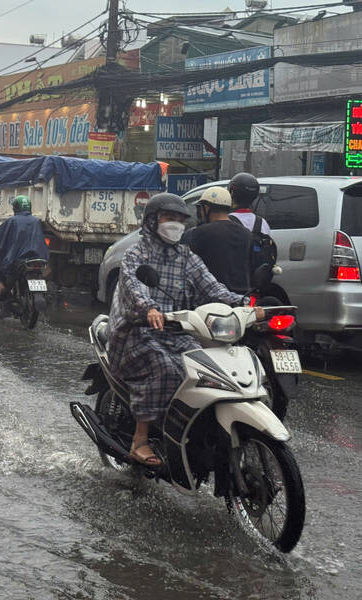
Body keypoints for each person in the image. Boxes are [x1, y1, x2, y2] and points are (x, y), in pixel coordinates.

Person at [107, 193, 263, 467]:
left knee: (204, 369)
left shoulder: (185, 255)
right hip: (136, 330)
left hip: (176, 330)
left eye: (180, 219)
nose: (176, 224)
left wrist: (245, 304)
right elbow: (134, 287)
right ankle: (140, 440)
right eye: (170, 218)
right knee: (164, 367)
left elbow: (210, 286)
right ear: (153, 221)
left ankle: (187, 429)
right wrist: (150, 309)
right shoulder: (137, 253)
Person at [181, 186, 254, 294]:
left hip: (210, 298)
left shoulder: (198, 233)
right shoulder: (246, 233)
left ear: (206, 208)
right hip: (242, 297)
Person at [0, 194, 49, 302]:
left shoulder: (12, 221)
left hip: (17, 260)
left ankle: (2, 289)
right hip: (37, 258)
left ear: (15, 208)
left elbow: (0, 238)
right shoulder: (36, 221)